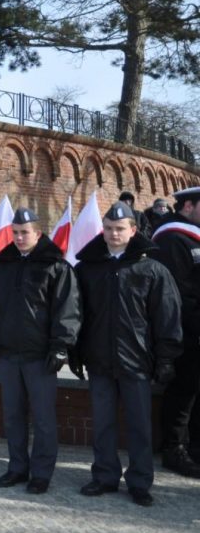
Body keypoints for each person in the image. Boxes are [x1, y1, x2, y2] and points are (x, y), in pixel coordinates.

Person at [74, 201, 182, 506]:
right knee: (103, 423)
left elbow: (167, 317)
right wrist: (76, 353)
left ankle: (140, 481)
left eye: (120, 228)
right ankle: (104, 476)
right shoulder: (87, 269)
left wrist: (166, 358)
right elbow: (78, 315)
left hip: (136, 361)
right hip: (99, 359)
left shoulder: (152, 270)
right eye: (108, 228)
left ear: (133, 230)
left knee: (139, 426)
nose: (113, 234)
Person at [0, 207, 80, 494]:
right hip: (9, 354)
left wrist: (60, 346)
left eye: (25, 233)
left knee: (43, 418)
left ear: (38, 233)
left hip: (40, 356)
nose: (20, 238)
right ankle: (17, 467)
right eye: (16, 233)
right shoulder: (1, 266)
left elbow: (67, 310)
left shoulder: (55, 267)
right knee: (13, 416)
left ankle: (41, 473)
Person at [152, 186, 200, 478]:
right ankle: (174, 449)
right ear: (188, 206)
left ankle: (194, 448)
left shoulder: (193, 237)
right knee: (183, 392)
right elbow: (178, 294)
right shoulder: (172, 239)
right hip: (184, 334)